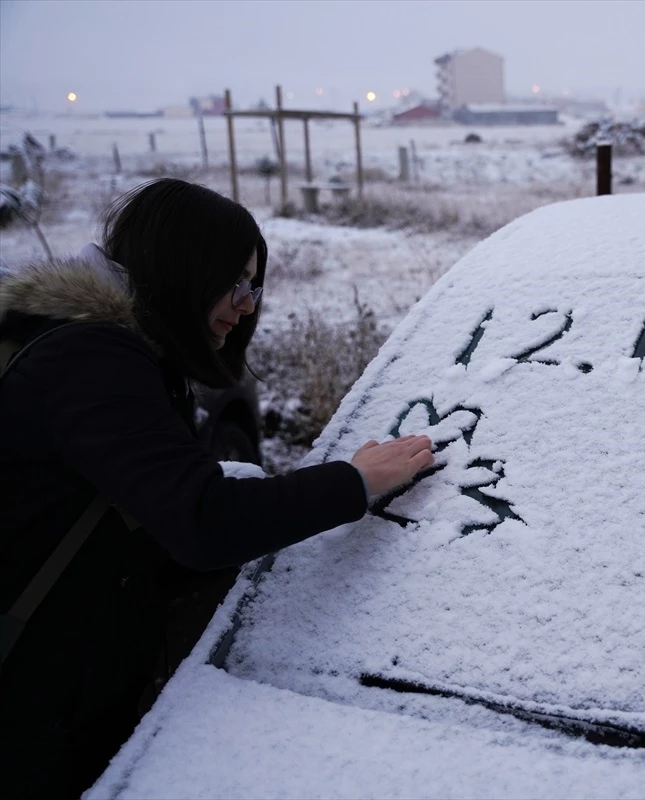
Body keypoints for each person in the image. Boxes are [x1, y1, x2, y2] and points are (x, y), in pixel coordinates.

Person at [0, 178, 433, 796]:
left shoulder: (102, 350)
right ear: (182, 268)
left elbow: (149, 524)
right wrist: (353, 483)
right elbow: (201, 520)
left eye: (255, 286)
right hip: (26, 710)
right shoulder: (91, 359)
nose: (249, 304)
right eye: (236, 283)